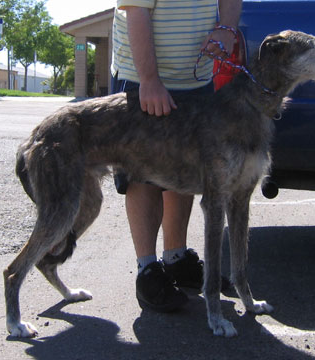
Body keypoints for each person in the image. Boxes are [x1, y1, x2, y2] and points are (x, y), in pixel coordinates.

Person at [111, 0, 243, 312]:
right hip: (142, 79)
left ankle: (175, 258)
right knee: (142, 175)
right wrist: (150, 81)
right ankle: (147, 270)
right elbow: (137, 13)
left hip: (195, 80)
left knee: (184, 173)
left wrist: (226, 29)